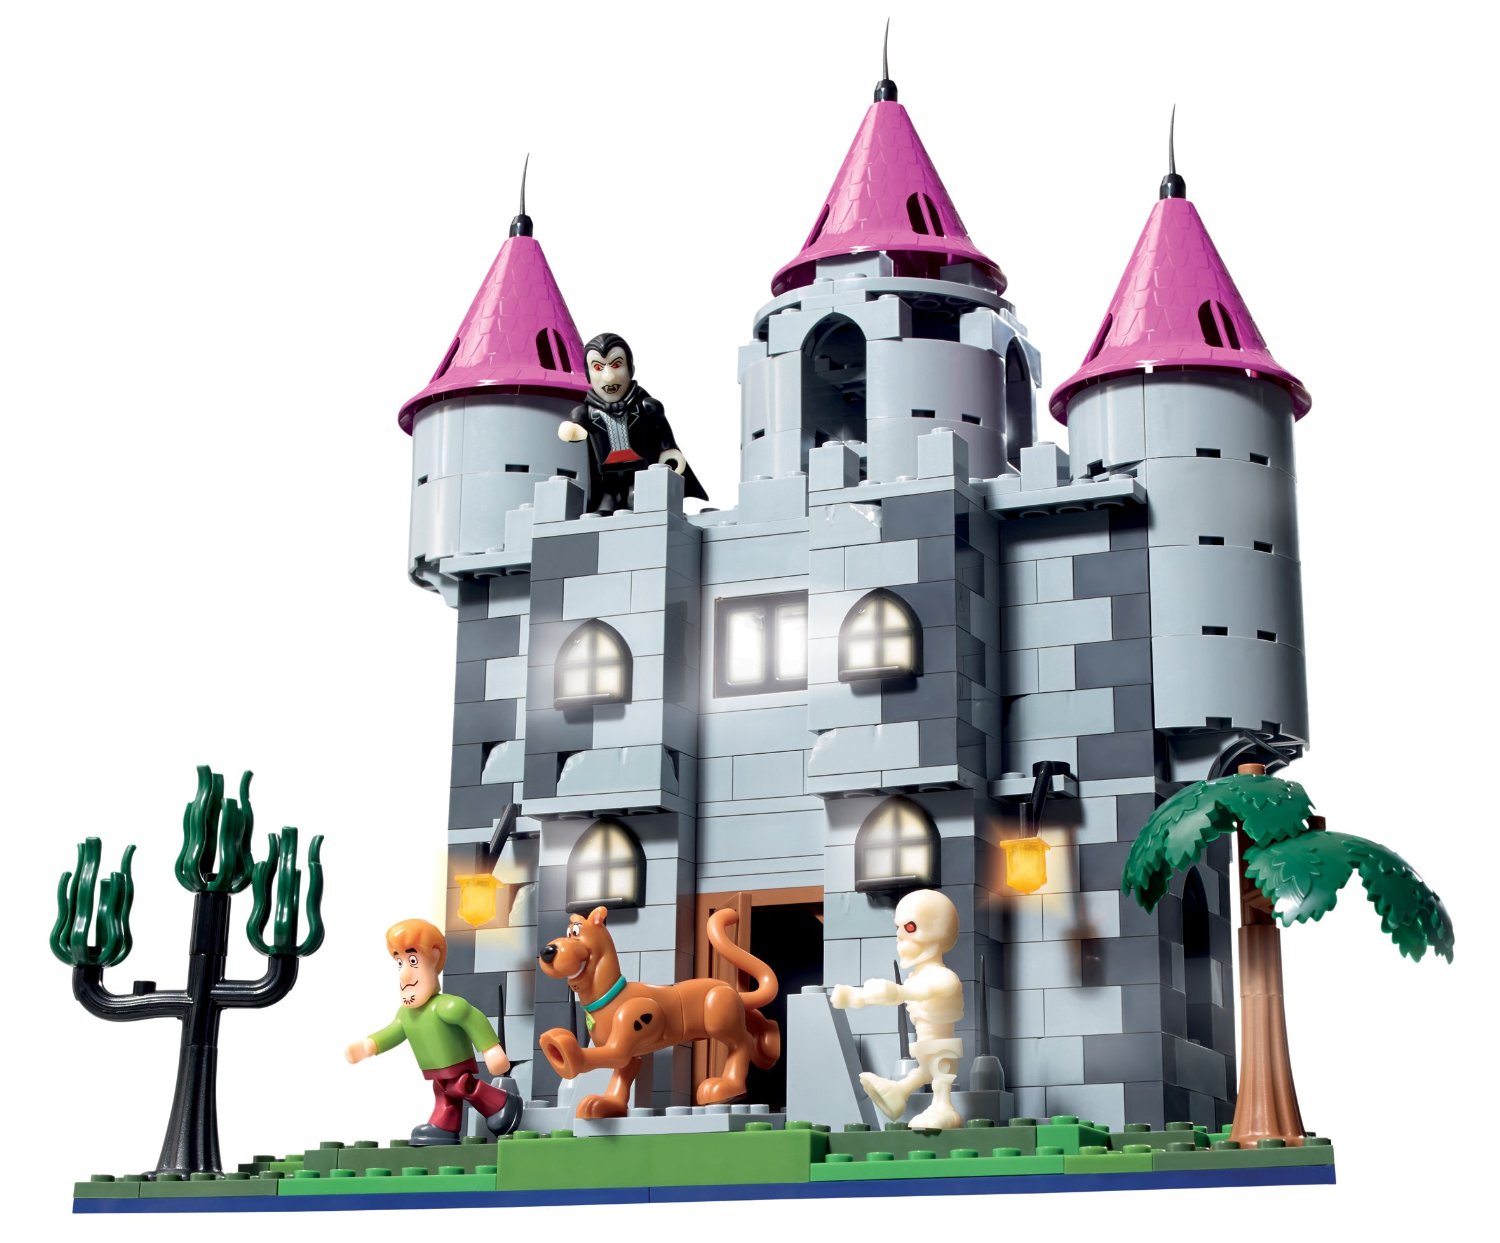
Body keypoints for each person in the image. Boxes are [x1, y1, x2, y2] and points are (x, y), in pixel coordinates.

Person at [345, 918, 522, 1144]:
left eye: (412, 960)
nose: (404, 974)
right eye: (399, 962)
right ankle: (444, 1126)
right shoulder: (405, 1015)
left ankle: (501, 1104)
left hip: (456, 1066)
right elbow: (392, 1033)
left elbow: (472, 1017)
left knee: (462, 1086)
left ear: (435, 957)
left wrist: (490, 1049)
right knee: (444, 1093)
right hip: (436, 1071)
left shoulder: (446, 1006)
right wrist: (368, 1046)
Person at [559, 332, 707, 513]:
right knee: (608, 494)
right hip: (607, 471)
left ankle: (634, 495)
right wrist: (572, 428)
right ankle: (609, 498)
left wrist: (668, 449)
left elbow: (663, 434)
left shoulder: (645, 406)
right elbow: (575, 423)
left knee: (637, 495)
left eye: (616, 365)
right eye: (598, 367)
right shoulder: (587, 412)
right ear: (589, 374)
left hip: (639, 469)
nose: (608, 377)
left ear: (630, 368)